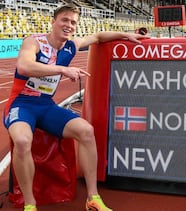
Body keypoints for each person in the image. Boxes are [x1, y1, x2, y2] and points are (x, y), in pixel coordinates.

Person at [2, 3, 149, 211]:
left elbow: (97, 37)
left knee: (86, 131)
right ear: (53, 22)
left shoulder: (71, 45)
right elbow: (24, 66)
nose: (69, 25)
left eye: (73, 22)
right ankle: (29, 205)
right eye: (64, 20)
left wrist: (127, 35)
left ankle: (93, 198)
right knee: (23, 140)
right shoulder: (34, 41)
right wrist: (63, 69)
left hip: (45, 105)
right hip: (21, 104)